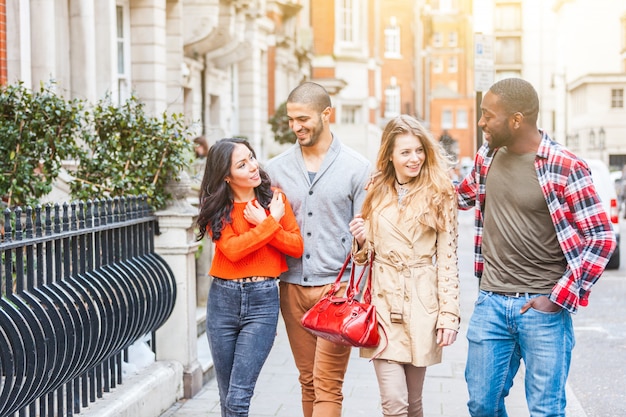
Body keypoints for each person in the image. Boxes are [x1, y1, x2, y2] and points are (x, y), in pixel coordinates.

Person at [456, 78, 616, 417]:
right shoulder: (487, 157)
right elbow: (458, 197)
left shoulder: (565, 166)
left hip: (542, 308)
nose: (481, 123)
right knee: (481, 404)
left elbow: (601, 238)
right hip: (491, 304)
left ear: (516, 120)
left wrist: (558, 298)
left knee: (546, 410)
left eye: (488, 115)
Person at [264, 81, 371, 417]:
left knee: (326, 383)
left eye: (303, 118)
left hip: (336, 293)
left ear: (327, 114)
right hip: (292, 289)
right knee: (307, 380)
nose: (296, 126)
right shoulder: (275, 169)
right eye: (291, 119)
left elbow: (367, 239)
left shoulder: (357, 168)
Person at [349, 115, 460, 417]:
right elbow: (364, 256)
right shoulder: (375, 189)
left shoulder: (441, 192)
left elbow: (448, 258)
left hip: (422, 304)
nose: (415, 159)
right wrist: (360, 240)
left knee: (413, 404)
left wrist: (449, 314)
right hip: (384, 305)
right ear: (390, 155)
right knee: (394, 403)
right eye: (406, 152)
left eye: (419, 150)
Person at [196, 137, 304, 417]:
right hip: (223, 302)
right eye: (242, 165)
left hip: (262, 302)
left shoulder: (274, 198)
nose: (254, 167)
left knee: (238, 397)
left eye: (252, 158)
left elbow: (296, 246)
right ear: (227, 177)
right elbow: (232, 250)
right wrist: (269, 223)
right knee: (226, 395)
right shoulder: (217, 209)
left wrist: (266, 223)